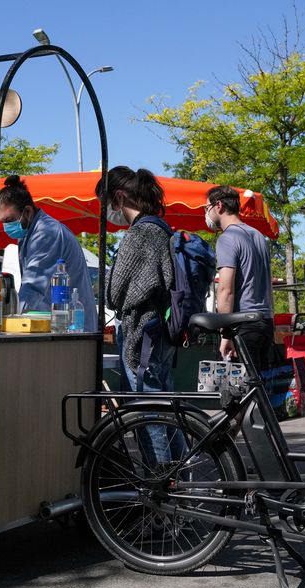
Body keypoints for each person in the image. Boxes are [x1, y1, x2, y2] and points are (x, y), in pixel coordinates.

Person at [98, 166, 185, 465]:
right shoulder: (161, 229)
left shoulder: (139, 234)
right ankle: (180, 481)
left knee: (148, 414)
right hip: (162, 332)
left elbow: (114, 292)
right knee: (166, 409)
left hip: (142, 333)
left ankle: (163, 486)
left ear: (119, 197)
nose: (111, 213)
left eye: (108, 204)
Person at [0, 175, 97, 331]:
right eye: (3, 222)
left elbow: (32, 286)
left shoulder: (45, 233)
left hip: (73, 328)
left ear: (28, 211)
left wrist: (12, 322)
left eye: (10, 220)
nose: (6, 226)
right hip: (61, 325)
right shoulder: (29, 233)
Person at [205, 185, 275, 376]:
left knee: (242, 392)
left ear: (218, 206)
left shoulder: (228, 238)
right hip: (265, 321)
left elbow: (225, 290)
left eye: (207, 208)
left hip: (244, 324)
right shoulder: (259, 236)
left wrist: (225, 335)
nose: (207, 213)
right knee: (261, 389)